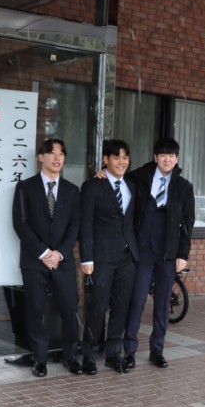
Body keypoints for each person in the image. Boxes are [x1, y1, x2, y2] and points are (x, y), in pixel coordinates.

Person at [122, 138, 194, 369]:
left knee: (163, 303)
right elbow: (116, 179)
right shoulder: (138, 178)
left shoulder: (184, 187)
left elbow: (187, 224)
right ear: (155, 157)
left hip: (168, 253)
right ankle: (130, 351)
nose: (167, 159)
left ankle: (157, 350)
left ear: (177, 159)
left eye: (172, 155)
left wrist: (183, 254)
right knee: (137, 300)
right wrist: (102, 173)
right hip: (142, 251)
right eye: (163, 155)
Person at [12, 138, 81, 377]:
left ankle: (70, 355)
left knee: (69, 308)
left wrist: (59, 253)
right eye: (51, 153)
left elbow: (75, 226)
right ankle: (39, 358)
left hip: (63, 261)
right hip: (34, 261)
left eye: (61, 153)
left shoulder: (73, 191)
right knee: (35, 309)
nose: (57, 157)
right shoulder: (25, 187)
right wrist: (43, 253)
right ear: (40, 157)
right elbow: (20, 224)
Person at [80, 140, 138, 374]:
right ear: (105, 160)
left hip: (128, 257)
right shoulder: (92, 187)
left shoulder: (132, 185)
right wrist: (86, 259)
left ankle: (113, 354)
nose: (122, 161)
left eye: (125, 157)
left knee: (121, 307)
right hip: (102, 258)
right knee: (97, 306)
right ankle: (89, 355)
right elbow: (85, 225)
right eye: (116, 157)